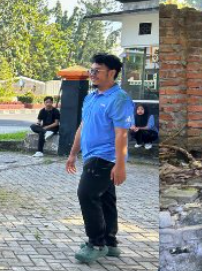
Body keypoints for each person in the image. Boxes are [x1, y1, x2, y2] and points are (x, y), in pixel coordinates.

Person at [66, 54, 134, 264]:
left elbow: (122, 134)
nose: (92, 74)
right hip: (91, 155)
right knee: (105, 198)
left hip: (105, 158)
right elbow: (83, 126)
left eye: (97, 71)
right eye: (91, 70)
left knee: (86, 194)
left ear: (111, 73)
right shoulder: (91, 97)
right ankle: (110, 243)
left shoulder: (119, 99)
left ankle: (96, 243)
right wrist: (72, 154)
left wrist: (120, 165)